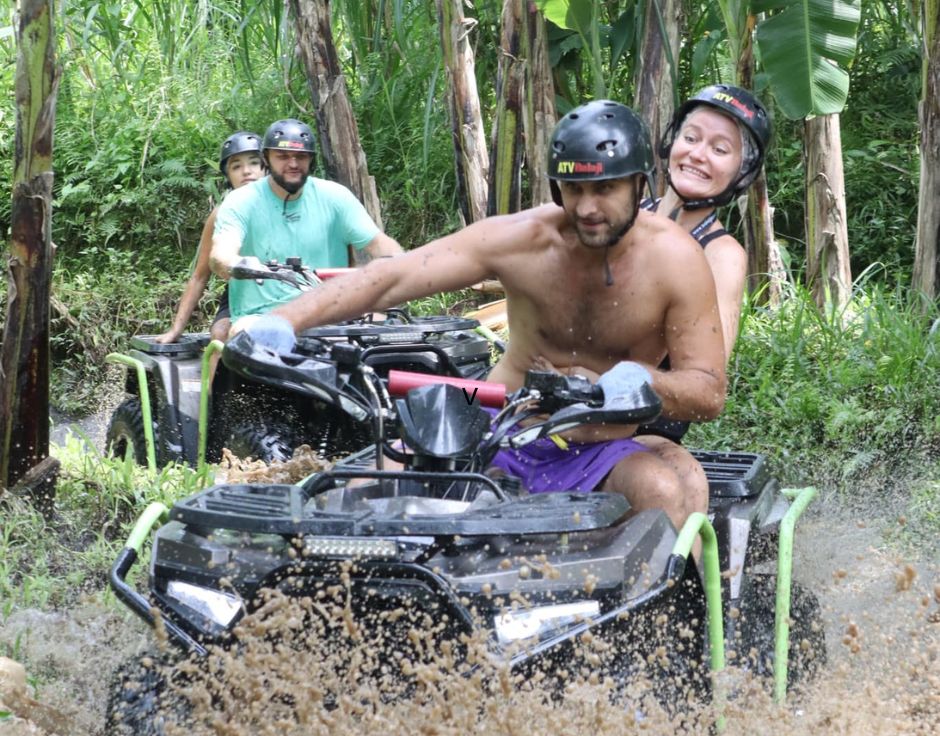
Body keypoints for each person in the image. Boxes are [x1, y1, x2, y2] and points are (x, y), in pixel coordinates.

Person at [238, 101, 727, 529]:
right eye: (573, 190)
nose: (587, 207)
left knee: (667, 487)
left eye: (606, 189)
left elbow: (707, 390)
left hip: (600, 447)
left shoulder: (677, 261)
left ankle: (637, 628)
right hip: (500, 422)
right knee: (364, 484)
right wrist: (285, 320)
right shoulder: (523, 240)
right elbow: (393, 276)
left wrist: (637, 381)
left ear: (640, 183)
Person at [635, 83, 772, 445]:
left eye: (720, 149)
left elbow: (705, 382)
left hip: (644, 428)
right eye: (691, 138)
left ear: (741, 173)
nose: (698, 154)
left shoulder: (722, 255)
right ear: (671, 143)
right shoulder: (626, 215)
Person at [209, 118, 403, 322]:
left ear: (311, 160)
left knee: (390, 338)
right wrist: (235, 263)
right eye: (282, 156)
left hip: (331, 314)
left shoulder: (335, 196)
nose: (293, 164)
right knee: (243, 337)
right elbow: (221, 252)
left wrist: (402, 265)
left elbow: (378, 243)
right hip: (261, 315)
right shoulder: (242, 200)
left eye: (301, 156)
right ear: (266, 158)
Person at [155, 131, 264, 344]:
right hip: (240, 294)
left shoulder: (289, 205)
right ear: (228, 176)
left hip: (286, 289)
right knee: (221, 333)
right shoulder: (222, 214)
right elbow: (199, 276)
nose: (247, 171)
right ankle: (215, 379)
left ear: (267, 168)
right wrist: (176, 329)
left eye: (254, 163)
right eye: (236, 166)